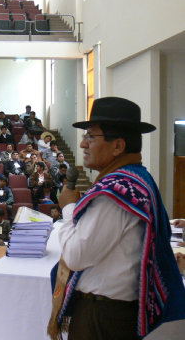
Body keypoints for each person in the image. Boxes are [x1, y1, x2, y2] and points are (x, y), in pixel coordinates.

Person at [48, 97, 185, 340]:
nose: (82, 144)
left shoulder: (116, 192)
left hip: (102, 318)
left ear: (118, 146)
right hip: (112, 312)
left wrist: (69, 208)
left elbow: (76, 256)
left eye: (91, 136)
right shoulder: (138, 179)